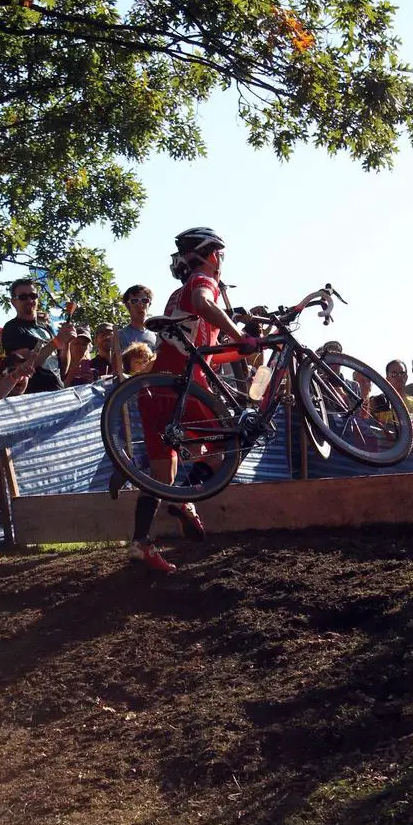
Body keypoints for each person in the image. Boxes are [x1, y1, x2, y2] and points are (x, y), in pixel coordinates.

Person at [127, 226, 258, 573]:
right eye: (222, 255)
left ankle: (141, 543)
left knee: (161, 474)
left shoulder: (176, 293)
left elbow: (205, 352)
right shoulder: (203, 281)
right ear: (212, 255)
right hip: (186, 387)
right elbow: (204, 303)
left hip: (155, 389)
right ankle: (186, 501)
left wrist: (241, 347)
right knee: (237, 440)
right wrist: (238, 334)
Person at [1, 278, 76, 392]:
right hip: (34, 397)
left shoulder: (46, 328)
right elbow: (27, 366)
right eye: (23, 297)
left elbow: (63, 370)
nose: (29, 300)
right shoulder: (12, 328)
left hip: (58, 392)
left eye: (33, 295)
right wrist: (56, 341)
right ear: (13, 302)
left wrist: (66, 343)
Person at [371, 360, 413, 428]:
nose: (399, 376)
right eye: (394, 374)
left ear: (406, 377)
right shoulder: (378, 400)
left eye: (402, 373)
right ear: (387, 379)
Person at [119, 285, 157, 351]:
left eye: (145, 300)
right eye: (134, 301)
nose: (140, 304)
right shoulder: (120, 336)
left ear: (149, 304)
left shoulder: (158, 335)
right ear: (127, 305)